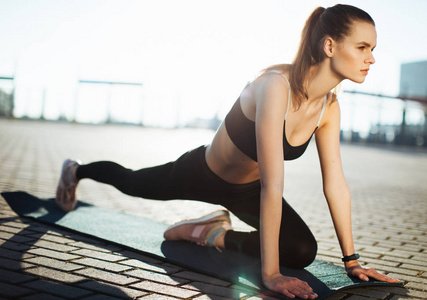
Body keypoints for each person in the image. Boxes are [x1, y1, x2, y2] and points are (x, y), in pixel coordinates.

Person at [56, 4, 399, 299]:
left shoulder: (329, 107)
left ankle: (210, 232)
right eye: (362, 47)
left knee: (301, 250)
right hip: (201, 173)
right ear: (329, 45)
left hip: (246, 191)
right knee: (131, 182)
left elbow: (335, 183)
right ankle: (76, 170)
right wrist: (271, 275)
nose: (371, 58)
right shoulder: (274, 85)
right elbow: (273, 184)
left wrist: (351, 261)